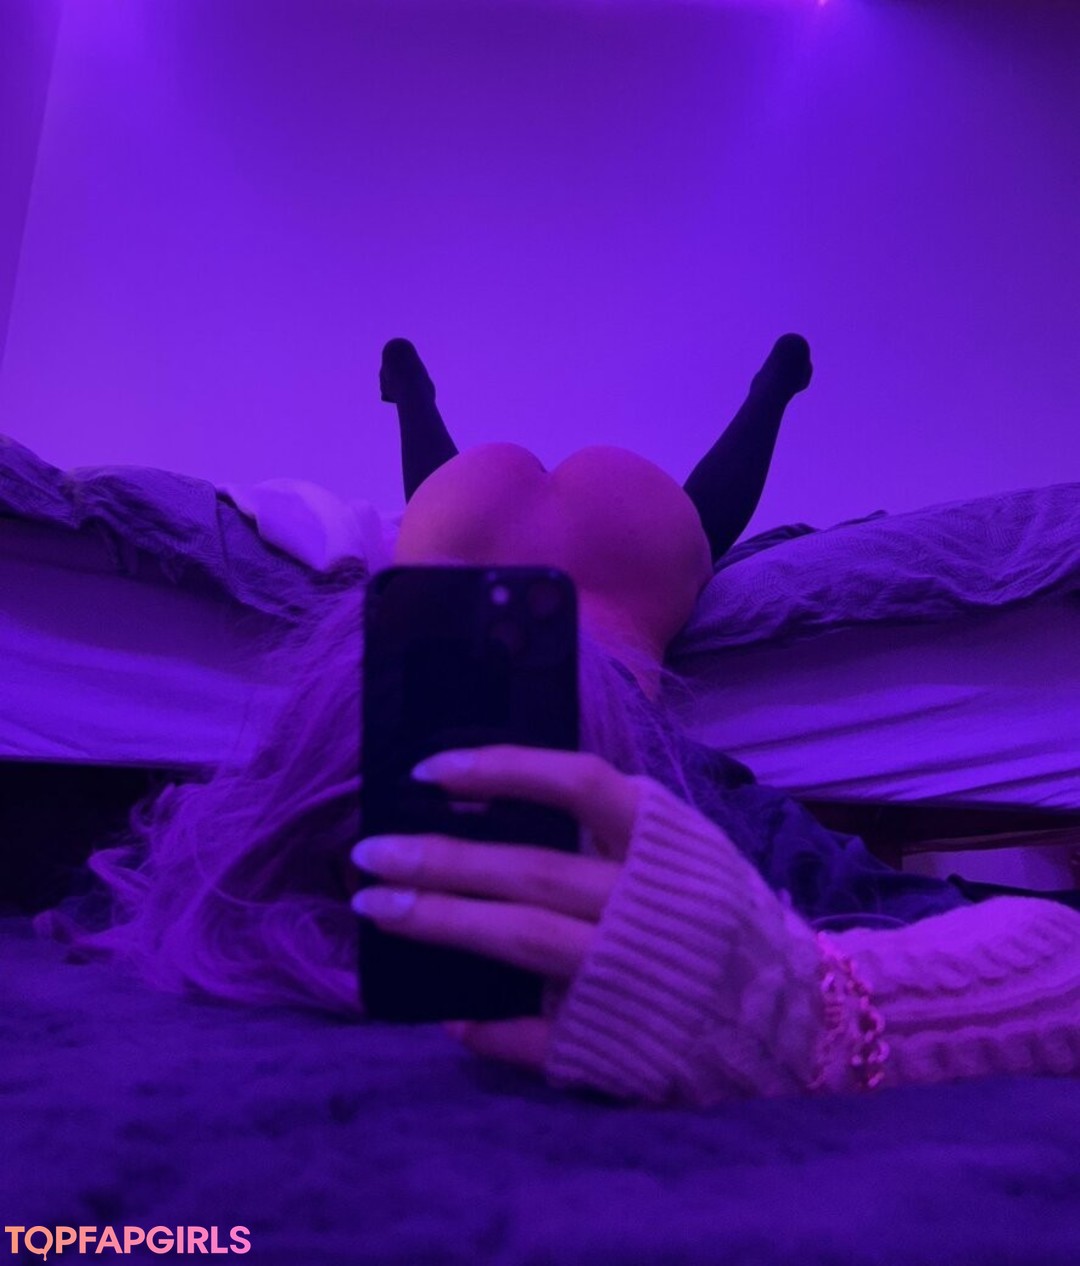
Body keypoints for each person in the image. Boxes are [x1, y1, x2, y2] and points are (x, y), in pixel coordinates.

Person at [40, 338, 1080, 1109]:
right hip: (576, 560)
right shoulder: (673, 810)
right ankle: (735, 397)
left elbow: (113, 895)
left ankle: (437, 404)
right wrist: (817, 1005)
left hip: (502, 565)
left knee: (580, 528)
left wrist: (819, 1008)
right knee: (693, 526)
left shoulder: (271, 816)